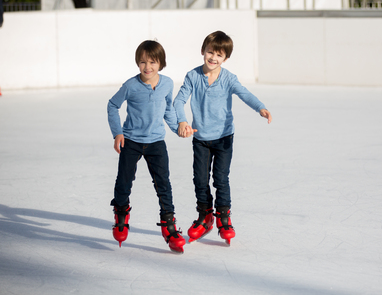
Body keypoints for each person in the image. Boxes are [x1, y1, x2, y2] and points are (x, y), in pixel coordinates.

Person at [174, 31, 272, 245]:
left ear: (225, 58)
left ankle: (224, 218)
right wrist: (182, 121)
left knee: (221, 179)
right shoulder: (192, 76)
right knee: (200, 180)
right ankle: (205, 215)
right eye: (210, 52)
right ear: (203, 51)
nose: (213, 58)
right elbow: (178, 100)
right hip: (200, 138)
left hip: (224, 138)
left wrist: (260, 108)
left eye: (219, 55)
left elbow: (244, 93)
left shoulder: (228, 78)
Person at [107, 40, 194, 253]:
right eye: (143, 62)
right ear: (137, 63)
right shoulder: (130, 85)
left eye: (153, 62)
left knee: (163, 184)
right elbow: (112, 105)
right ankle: (121, 212)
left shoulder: (166, 83)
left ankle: (169, 226)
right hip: (132, 142)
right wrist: (117, 132)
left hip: (156, 142)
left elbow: (167, 110)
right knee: (123, 183)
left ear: (160, 63)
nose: (147, 67)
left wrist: (178, 128)